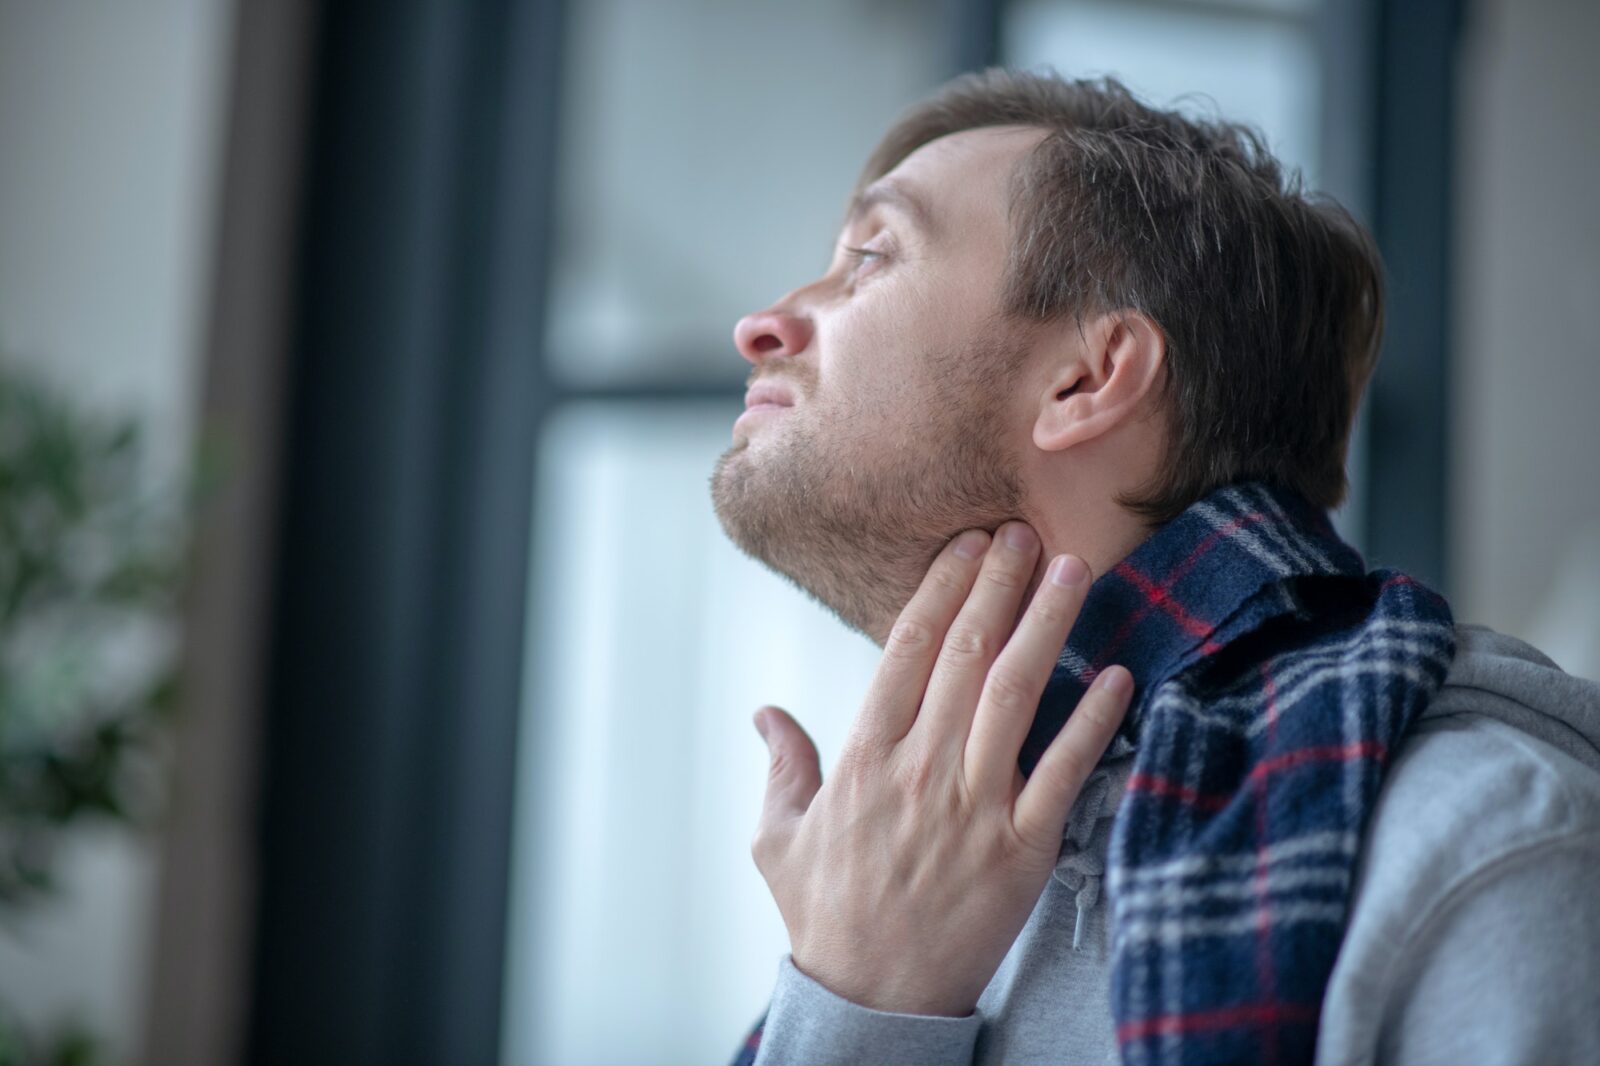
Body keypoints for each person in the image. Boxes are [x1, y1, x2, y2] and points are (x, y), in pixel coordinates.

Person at [710, 69, 1600, 1066]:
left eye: (869, 256)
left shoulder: (1486, 851)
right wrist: (858, 993)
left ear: (1087, 378)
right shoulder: (895, 868)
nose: (764, 324)